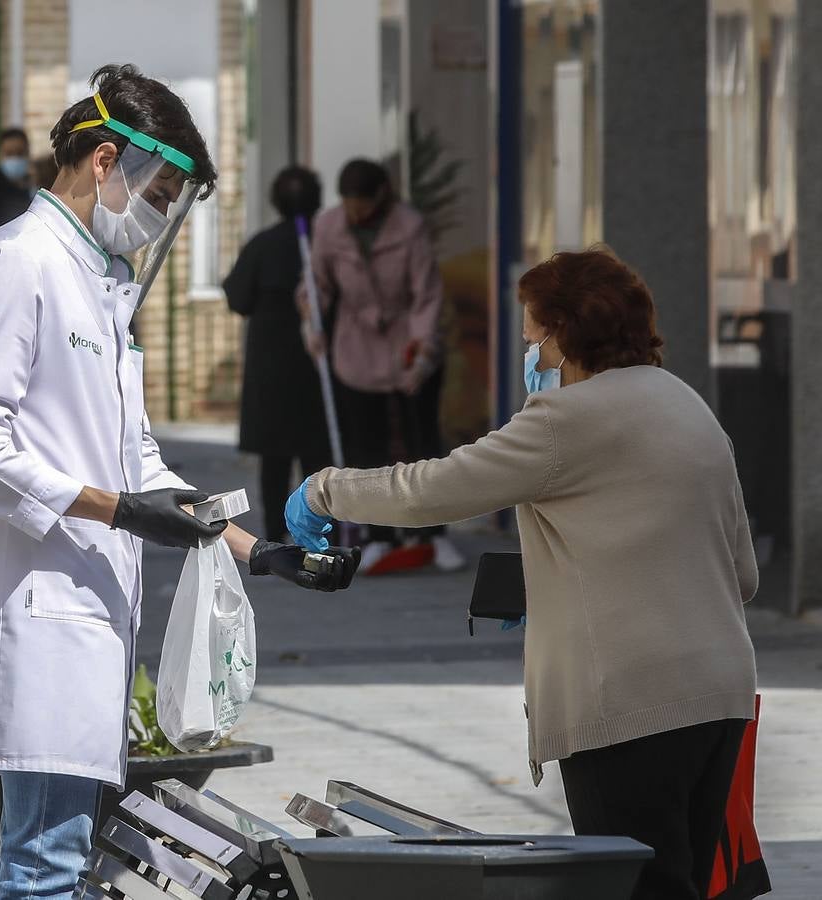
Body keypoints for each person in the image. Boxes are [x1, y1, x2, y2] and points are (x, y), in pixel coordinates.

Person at [0, 63, 359, 900]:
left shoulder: (100, 284)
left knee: (54, 854)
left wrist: (255, 548)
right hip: (37, 609)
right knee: (44, 861)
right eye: (161, 193)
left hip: (84, 614)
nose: (161, 216)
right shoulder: (18, 264)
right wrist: (121, 511)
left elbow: (141, 463)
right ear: (104, 161)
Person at [286, 246, 760, 900]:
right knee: (680, 884)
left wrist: (323, 491)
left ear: (565, 336)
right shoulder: (688, 405)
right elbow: (742, 573)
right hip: (720, 695)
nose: (530, 354)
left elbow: (431, 489)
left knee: (633, 889)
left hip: (627, 704)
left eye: (534, 337)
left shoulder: (564, 419)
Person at [298, 158, 462, 573]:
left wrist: (423, 351)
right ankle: (378, 535)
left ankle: (432, 534)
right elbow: (316, 284)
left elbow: (426, 293)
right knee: (366, 449)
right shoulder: (330, 227)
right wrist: (312, 322)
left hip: (407, 338)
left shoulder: (409, 226)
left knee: (421, 444)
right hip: (356, 344)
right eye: (349, 203)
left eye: (362, 204)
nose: (354, 213)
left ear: (380, 196)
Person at [223, 165, 331, 541]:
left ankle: (276, 532)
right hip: (320, 364)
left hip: (272, 366)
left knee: (275, 458)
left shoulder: (262, 245)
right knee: (319, 456)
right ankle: (320, 529)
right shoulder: (329, 243)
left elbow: (238, 296)